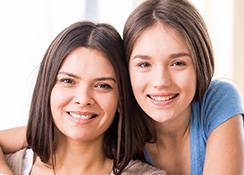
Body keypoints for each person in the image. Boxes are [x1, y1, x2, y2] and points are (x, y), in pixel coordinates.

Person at [0, 21, 167, 175]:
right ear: (47, 88)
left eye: (103, 85)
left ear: (121, 100)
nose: (83, 99)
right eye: (68, 81)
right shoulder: (9, 164)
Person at [123, 0, 244, 174]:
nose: (161, 81)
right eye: (144, 64)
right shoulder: (116, 123)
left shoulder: (218, 100)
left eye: (177, 63)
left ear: (200, 64)